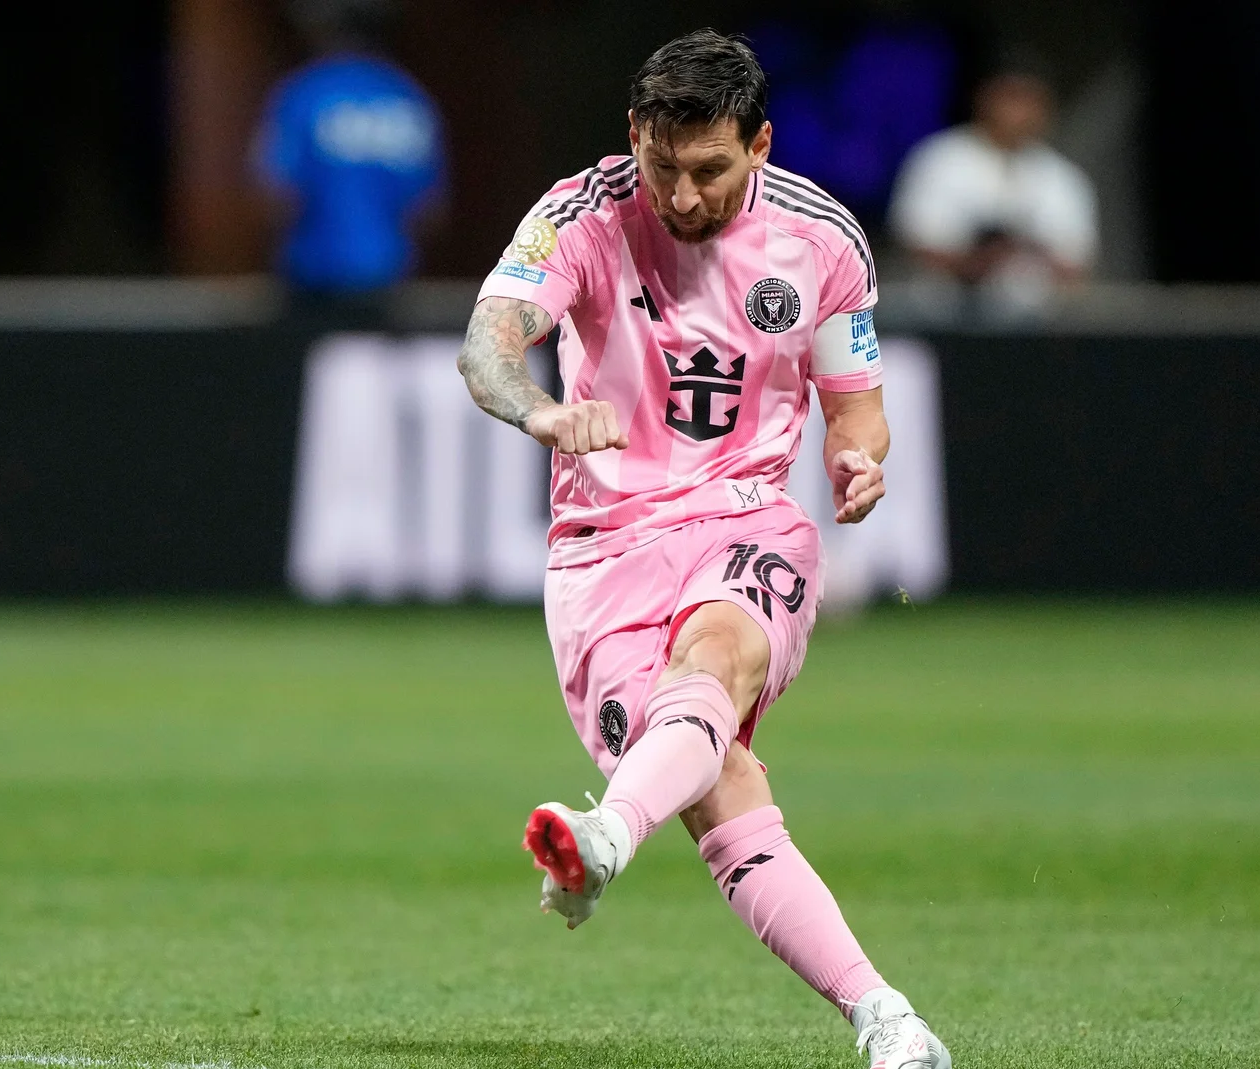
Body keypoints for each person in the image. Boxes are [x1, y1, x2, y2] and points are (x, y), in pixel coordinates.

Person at [456, 30, 950, 1069]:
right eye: (662, 165)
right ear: (635, 136)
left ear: (761, 144)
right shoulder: (578, 215)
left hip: (743, 519)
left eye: (710, 170)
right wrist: (543, 413)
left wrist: (858, 459)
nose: (681, 196)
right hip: (601, 551)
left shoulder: (821, 242)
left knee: (716, 659)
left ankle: (602, 838)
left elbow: (855, 406)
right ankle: (886, 1017)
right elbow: (486, 346)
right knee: (716, 775)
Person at [254, 0, 444, 321]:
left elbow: (275, 195)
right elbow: (429, 210)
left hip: (311, 287)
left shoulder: (305, 93)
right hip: (389, 285)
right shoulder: (409, 98)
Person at [890, 66, 1097, 320]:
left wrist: (1023, 251)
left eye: (1031, 102)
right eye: (1012, 99)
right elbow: (917, 241)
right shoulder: (940, 159)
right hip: (943, 319)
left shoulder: (1061, 176)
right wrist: (983, 258)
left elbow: (1074, 265)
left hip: (1036, 326)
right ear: (985, 100)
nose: (1020, 113)